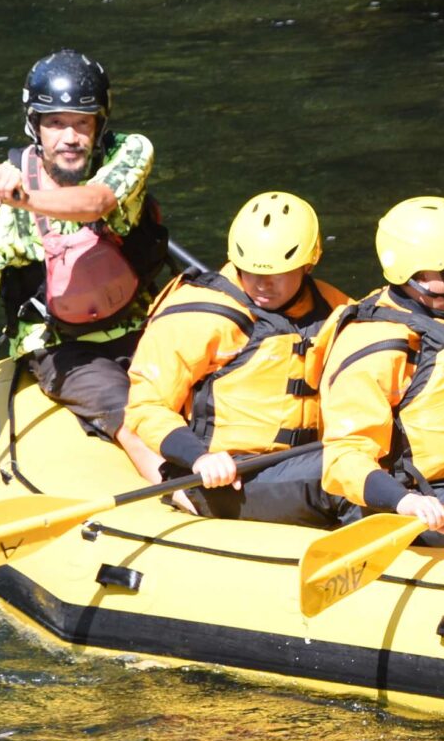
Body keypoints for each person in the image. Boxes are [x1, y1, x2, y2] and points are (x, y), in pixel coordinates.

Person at [0, 50, 170, 482]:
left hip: (142, 323)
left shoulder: (128, 152)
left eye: (82, 123)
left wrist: (24, 198)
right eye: (55, 123)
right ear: (35, 127)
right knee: (132, 414)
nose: (69, 137)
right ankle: (185, 497)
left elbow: (97, 203)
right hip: (61, 348)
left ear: (100, 126)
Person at [305, 196, 444, 552]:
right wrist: (404, 501)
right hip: (427, 499)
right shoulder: (377, 344)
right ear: (423, 275)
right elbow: (344, 457)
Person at [124, 191, 351, 522]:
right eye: (249, 270)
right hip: (225, 476)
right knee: (338, 472)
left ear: (307, 265)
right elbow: (146, 406)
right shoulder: (198, 315)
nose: (261, 284)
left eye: (278, 272)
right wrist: (199, 458)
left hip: (302, 460)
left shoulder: (335, 308)